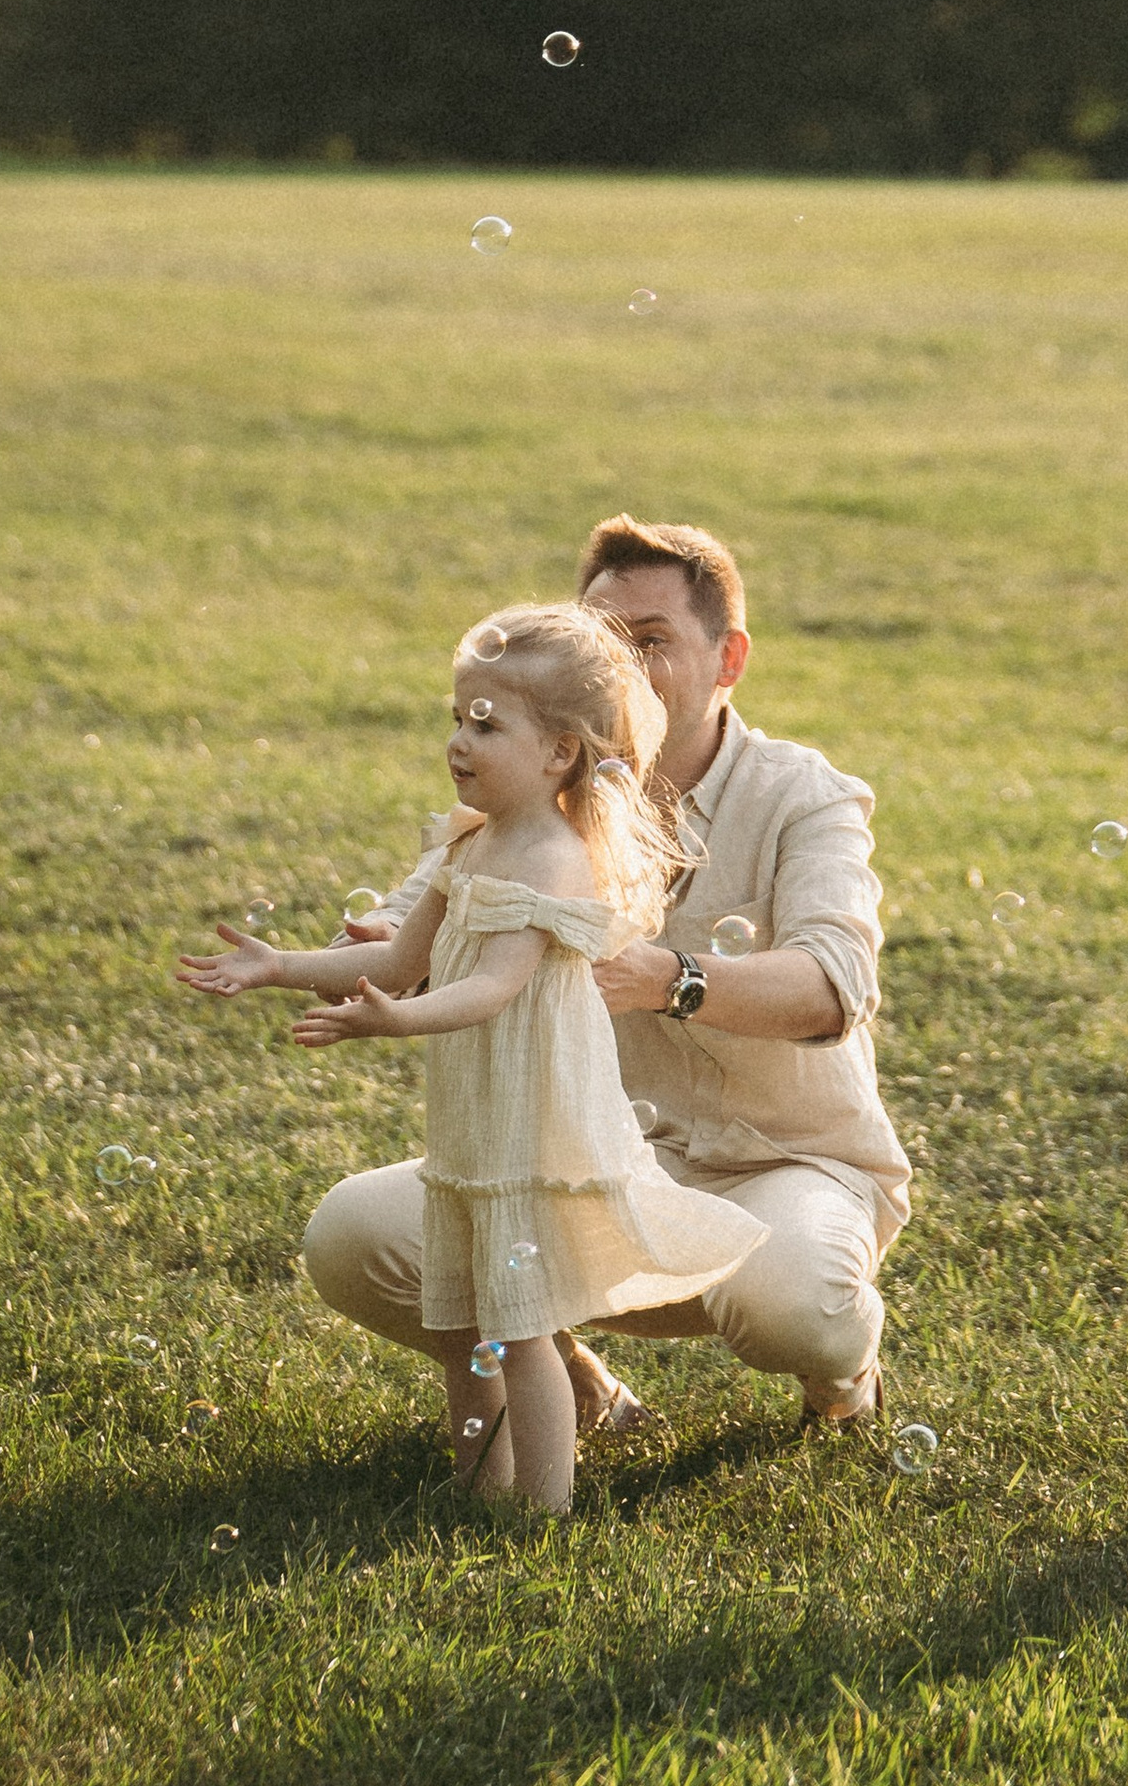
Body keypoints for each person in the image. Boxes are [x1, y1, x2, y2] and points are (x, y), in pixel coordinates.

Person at [303, 514, 909, 1432]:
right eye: (599, 641)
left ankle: (842, 1381)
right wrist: (366, 960)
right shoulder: (528, 801)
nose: (619, 666)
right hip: (583, 1169)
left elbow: (832, 987)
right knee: (351, 1237)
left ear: (729, 659)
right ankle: (579, 1386)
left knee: (794, 1304)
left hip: (785, 1164)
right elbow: (411, 921)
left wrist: (668, 978)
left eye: (650, 641)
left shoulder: (803, 795)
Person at [177, 601, 762, 1513]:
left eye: (485, 725)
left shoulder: (553, 861)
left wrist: (393, 1024)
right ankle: (478, 1488)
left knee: (523, 1330)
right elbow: (401, 960)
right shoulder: (472, 838)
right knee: (466, 1323)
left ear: (561, 752)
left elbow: (491, 987)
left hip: (533, 1126)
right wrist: (281, 966)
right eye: (457, 717)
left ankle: (545, 1508)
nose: (459, 740)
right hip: (476, 1121)